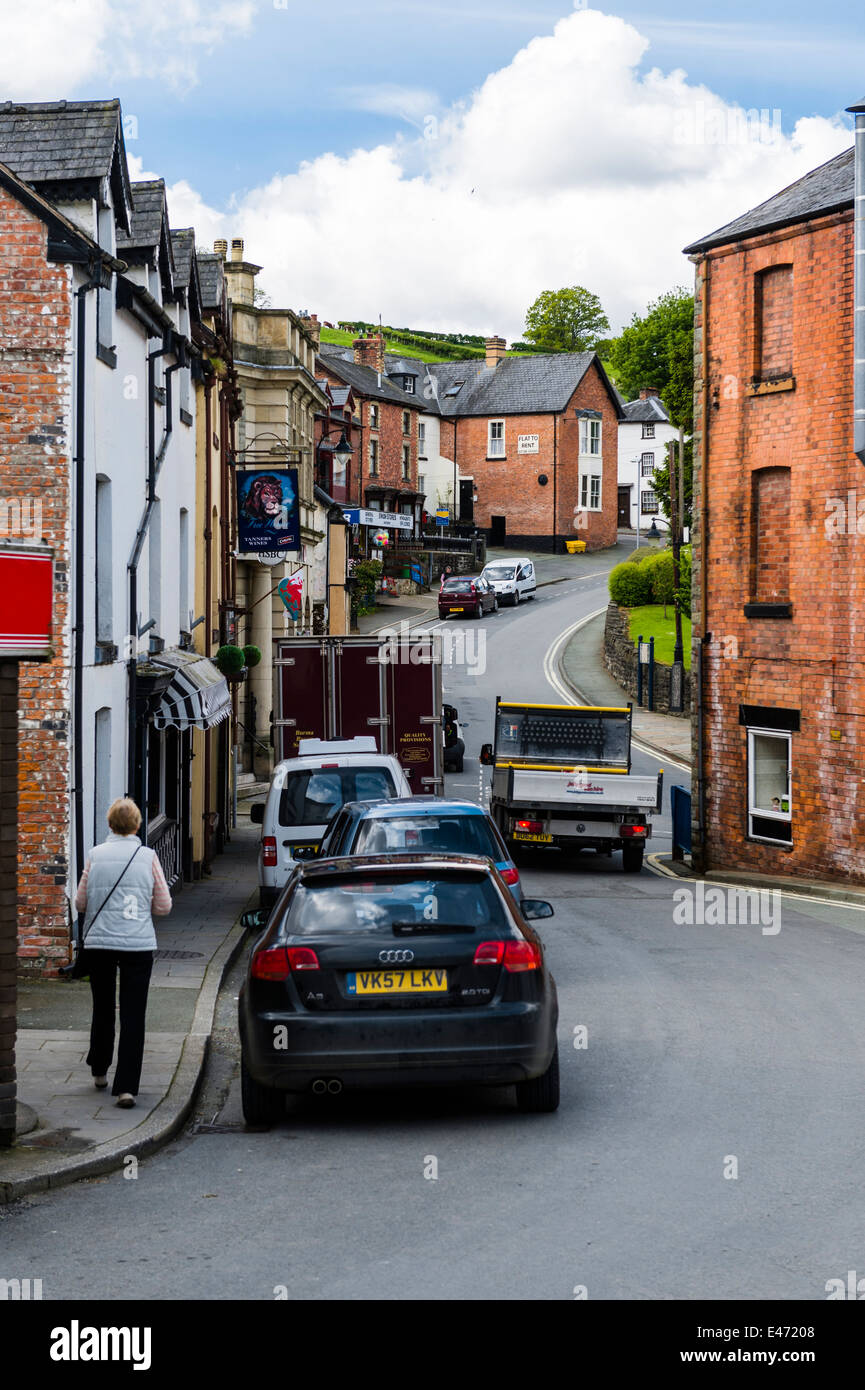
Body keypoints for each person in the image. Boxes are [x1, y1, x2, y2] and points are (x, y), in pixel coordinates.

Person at [74, 798, 172, 1108]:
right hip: (137, 945)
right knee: (133, 1015)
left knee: (102, 1007)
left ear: (110, 824)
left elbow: (80, 903)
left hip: (100, 944)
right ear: (137, 826)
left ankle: (100, 1070)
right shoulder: (148, 857)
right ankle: (126, 1088)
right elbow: (164, 905)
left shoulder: (95, 855)